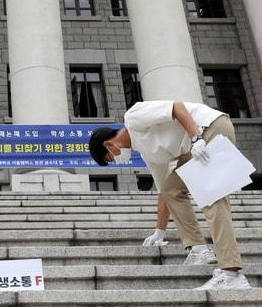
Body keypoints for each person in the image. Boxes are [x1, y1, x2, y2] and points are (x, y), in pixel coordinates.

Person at [90, 100, 250, 290]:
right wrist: (160, 231)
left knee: (212, 199)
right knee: (171, 189)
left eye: (110, 157)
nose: (116, 160)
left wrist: (196, 138)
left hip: (209, 128)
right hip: (191, 148)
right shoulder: (149, 155)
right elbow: (164, 192)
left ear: (109, 144)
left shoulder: (133, 118)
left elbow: (176, 107)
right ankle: (199, 249)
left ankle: (231, 274)